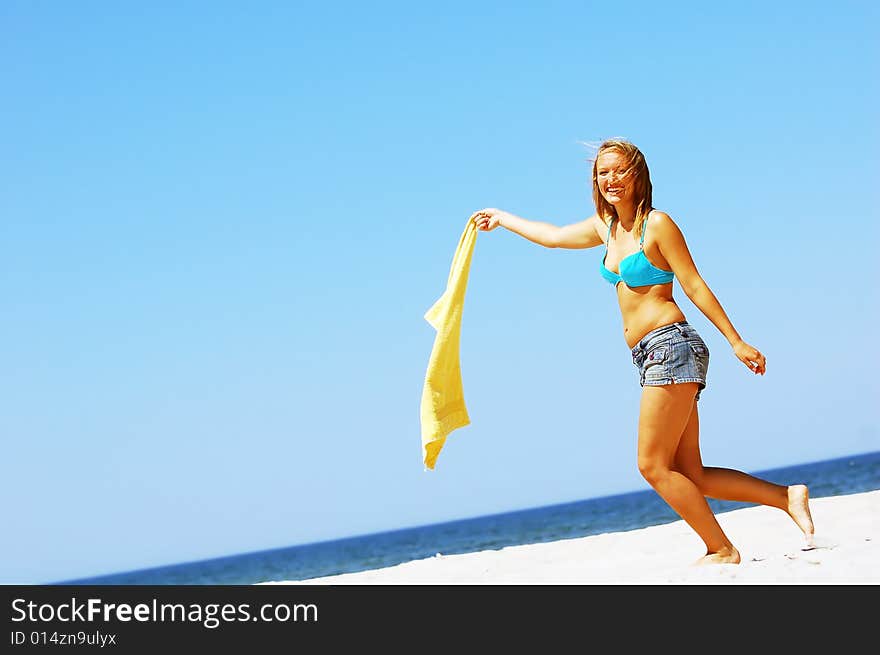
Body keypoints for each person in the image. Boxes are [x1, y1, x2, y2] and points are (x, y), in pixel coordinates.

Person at [473, 138, 814, 565]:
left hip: (671, 346)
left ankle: (721, 549)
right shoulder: (607, 227)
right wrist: (502, 218)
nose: (611, 180)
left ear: (638, 175)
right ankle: (786, 497)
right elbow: (555, 237)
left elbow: (692, 283)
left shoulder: (657, 225)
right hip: (651, 355)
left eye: (619, 171)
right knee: (691, 474)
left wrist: (735, 340)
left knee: (652, 466)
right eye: (603, 173)